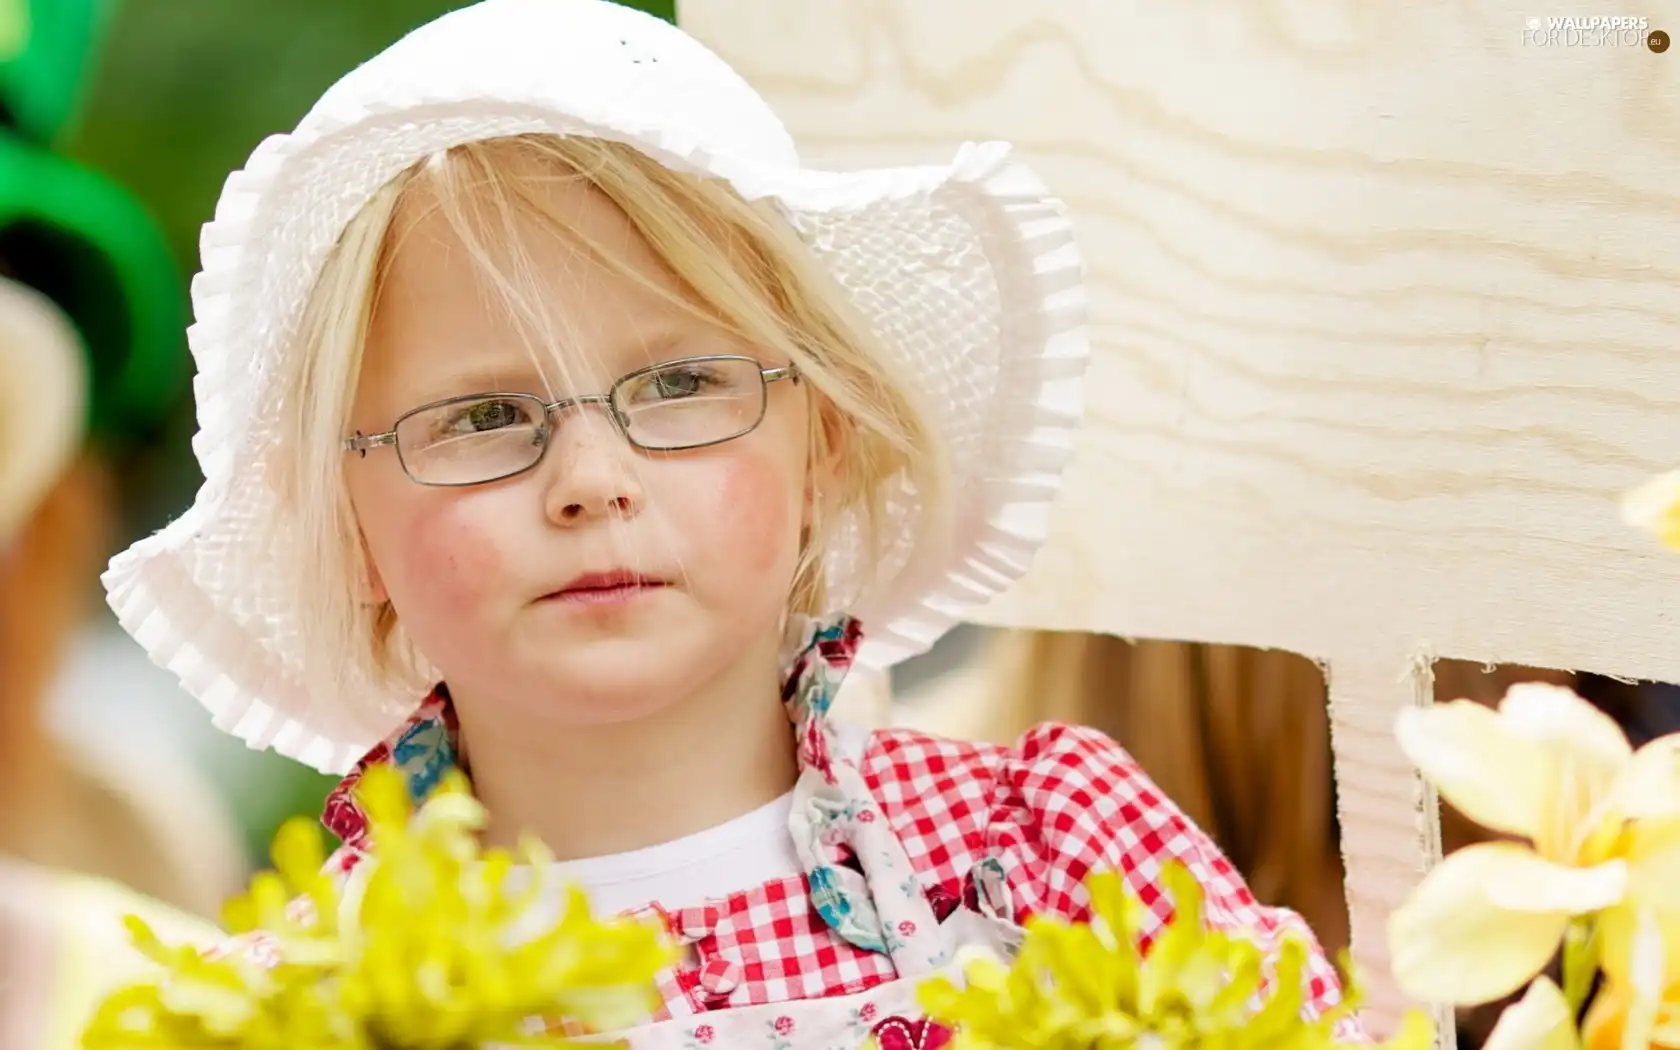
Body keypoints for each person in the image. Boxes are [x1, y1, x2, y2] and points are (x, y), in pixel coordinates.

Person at [102, 0, 1363, 1042]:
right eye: (483, 417)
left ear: (822, 446)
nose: (591, 478)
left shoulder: (1051, 856)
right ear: (350, 527)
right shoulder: (309, 1001)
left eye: (684, 385)